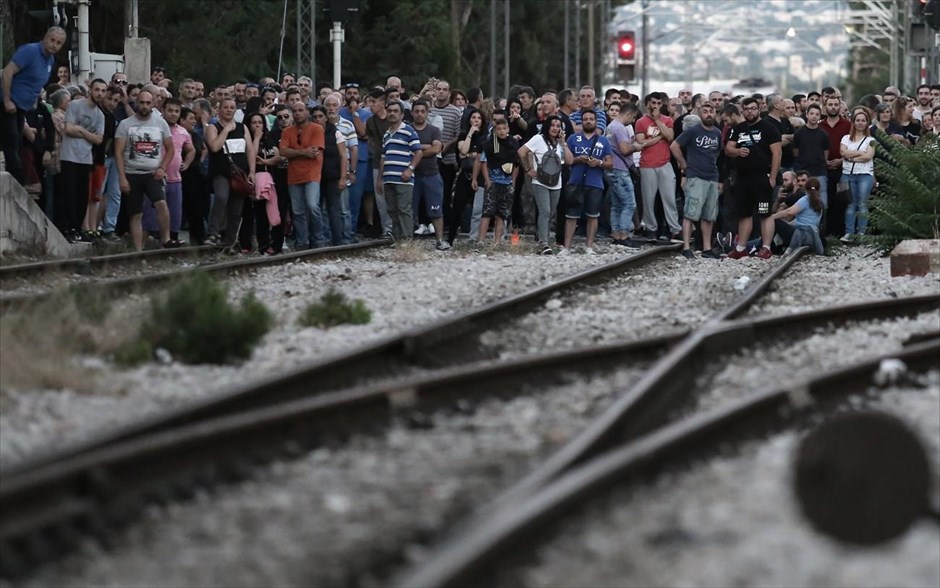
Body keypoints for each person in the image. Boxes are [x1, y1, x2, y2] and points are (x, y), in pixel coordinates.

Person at [113, 90, 178, 251]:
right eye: (141, 102)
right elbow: (118, 152)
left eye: (148, 103)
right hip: (132, 172)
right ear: (136, 103)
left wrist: (163, 167)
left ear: (153, 104)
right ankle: (138, 250)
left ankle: (166, 239)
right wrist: (122, 177)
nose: (144, 106)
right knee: (136, 213)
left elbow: (170, 148)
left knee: (161, 204)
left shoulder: (160, 123)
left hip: (152, 173)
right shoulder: (125, 124)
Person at [1, 27, 66, 184]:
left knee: (17, 143)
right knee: (12, 141)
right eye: (52, 40)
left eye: (58, 43)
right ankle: (17, 180)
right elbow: (8, 72)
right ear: (45, 38)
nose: (54, 45)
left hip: (23, 107)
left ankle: (17, 180)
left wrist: (32, 102)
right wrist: (7, 100)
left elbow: (36, 83)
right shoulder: (30, 51)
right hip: (9, 103)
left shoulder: (50, 60)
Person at [724, 96, 782, 259]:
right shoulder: (738, 129)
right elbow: (728, 149)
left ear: (759, 109)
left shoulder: (769, 128)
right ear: (742, 110)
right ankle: (741, 247)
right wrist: (738, 152)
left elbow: (777, 153)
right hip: (742, 178)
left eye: (753, 108)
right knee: (744, 213)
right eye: (747, 109)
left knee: (765, 213)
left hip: (761, 177)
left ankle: (766, 247)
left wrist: (772, 177)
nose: (750, 112)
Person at [670, 102, 723, 259]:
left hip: (712, 177)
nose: (708, 114)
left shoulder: (717, 133)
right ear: (700, 114)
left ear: (714, 114)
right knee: (691, 213)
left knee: (709, 215)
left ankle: (707, 248)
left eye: (711, 111)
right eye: (705, 111)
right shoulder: (693, 131)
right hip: (696, 177)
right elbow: (674, 146)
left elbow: (718, 152)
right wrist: (684, 164)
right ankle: (687, 247)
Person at [561, 109, 612, 255]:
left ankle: (589, 247)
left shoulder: (604, 141)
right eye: (585, 119)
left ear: (596, 121)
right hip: (575, 181)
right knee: (571, 216)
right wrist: (578, 159)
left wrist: (599, 163)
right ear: (581, 122)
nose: (588, 121)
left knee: (593, 215)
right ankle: (567, 247)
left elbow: (610, 163)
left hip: (595, 183)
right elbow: (565, 161)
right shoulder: (572, 139)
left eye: (591, 119)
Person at [519, 114, 573, 254]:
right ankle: (543, 243)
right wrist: (528, 169)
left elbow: (569, 161)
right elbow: (522, 151)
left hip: (556, 182)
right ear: (547, 126)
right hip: (540, 181)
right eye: (552, 125)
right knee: (545, 211)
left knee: (550, 213)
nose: (555, 128)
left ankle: (543, 238)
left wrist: (564, 143)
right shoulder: (538, 139)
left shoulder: (560, 143)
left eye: (558, 126)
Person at [280, 101, 325, 249]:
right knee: (297, 211)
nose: (297, 113)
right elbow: (283, 151)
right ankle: (302, 242)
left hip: (312, 173)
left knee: (312, 206)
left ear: (307, 112)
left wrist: (294, 153)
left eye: (300, 110)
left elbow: (314, 152)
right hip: (293, 175)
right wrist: (302, 152)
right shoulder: (287, 131)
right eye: (295, 111)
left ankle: (318, 239)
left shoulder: (317, 128)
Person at [635, 92, 678, 241]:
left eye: (659, 104)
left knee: (669, 198)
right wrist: (660, 137)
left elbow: (671, 136)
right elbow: (642, 143)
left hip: (664, 163)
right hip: (647, 165)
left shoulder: (667, 120)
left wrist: (658, 120)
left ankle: (674, 229)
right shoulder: (641, 122)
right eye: (653, 103)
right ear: (647, 104)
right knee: (648, 200)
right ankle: (651, 229)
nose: (656, 106)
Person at [378, 99, 422, 240]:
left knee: (404, 209)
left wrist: (410, 169)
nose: (392, 114)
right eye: (389, 111)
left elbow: (418, 152)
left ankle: (407, 240)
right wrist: (379, 179)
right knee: (392, 210)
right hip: (388, 178)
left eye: (395, 111)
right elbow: (383, 157)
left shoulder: (409, 131)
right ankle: (397, 240)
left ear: (402, 114)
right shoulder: (386, 134)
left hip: (403, 178)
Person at [409, 99, 448, 250]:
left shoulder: (434, 130)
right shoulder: (407, 129)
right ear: (412, 113)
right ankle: (408, 241)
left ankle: (439, 240)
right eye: (416, 111)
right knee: (409, 210)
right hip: (412, 176)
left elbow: (436, 149)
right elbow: (407, 150)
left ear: (427, 113)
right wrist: (426, 147)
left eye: (422, 111)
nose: (419, 114)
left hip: (431, 174)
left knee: (436, 210)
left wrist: (416, 149)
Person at [476, 118, 519, 247]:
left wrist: (513, 181)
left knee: (502, 213)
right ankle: (481, 241)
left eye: (504, 129)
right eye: (498, 129)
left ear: (508, 129)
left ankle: (497, 241)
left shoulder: (513, 144)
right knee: (487, 212)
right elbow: (484, 162)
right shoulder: (489, 144)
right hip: (494, 181)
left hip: (507, 182)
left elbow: (516, 164)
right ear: (495, 130)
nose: (501, 131)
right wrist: (487, 180)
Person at [604, 103, 639, 247]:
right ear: (629, 114)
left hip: (611, 169)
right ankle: (624, 235)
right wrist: (635, 147)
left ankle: (616, 234)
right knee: (629, 204)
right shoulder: (620, 128)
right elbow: (624, 150)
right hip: (620, 170)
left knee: (617, 204)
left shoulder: (610, 127)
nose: (633, 120)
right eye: (634, 117)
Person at [840, 108, 876, 242]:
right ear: (853, 122)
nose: (860, 123)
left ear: (867, 123)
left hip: (864, 175)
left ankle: (861, 233)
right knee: (850, 204)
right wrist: (860, 153)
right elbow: (843, 153)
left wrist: (852, 156)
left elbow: (868, 156)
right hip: (847, 174)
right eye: (858, 120)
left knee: (862, 204)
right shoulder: (845, 138)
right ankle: (849, 233)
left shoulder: (871, 140)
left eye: (863, 121)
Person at [771, 177, 825, 256]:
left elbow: (789, 212)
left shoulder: (805, 199)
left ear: (806, 189)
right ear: (819, 189)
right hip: (812, 236)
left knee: (776, 222)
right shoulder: (820, 203)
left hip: (800, 235)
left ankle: (767, 247)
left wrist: (772, 217)